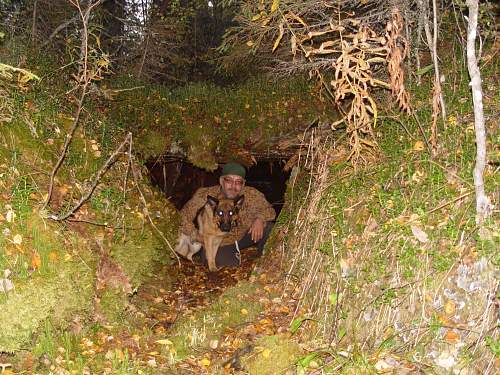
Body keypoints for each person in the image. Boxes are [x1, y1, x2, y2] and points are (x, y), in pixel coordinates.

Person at [179, 162, 276, 267]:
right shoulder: (205, 194)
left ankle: (265, 262)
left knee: (270, 228)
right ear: (221, 181)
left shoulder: (251, 194)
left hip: (243, 235)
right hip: (219, 242)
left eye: (238, 182)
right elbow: (183, 216)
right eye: (229, 180)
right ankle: (210, 256)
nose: (233, 186)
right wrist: (196, 235)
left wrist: (259, 219)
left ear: (243, 184)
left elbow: (270, 210)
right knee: (224, 265)